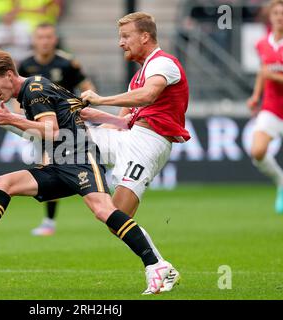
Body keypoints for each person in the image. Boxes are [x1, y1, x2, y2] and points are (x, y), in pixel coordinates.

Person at [0, 47, 174, 295]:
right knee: (3, 182)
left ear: (8, 74)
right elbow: (74, 109)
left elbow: (52, 131)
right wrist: (118, 122)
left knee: (104, 211)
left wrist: (10, 120)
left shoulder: (34, 90)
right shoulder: (33, 90)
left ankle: (156, 264)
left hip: (79, 157)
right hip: (58, 162)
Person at [79, 12, 190, 291]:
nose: (120, 43)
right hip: (130, 138)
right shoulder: (137, 77)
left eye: (126, 36)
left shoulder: (164, 63)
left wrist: (102, 98)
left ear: (145, 36)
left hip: (149, 144)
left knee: (117, 213)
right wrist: (98, 115)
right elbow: (123, 122)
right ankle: (10, 122)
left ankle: (160, 267)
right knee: (69, 142)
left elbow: (150, 95)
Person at [18, 22, 96, 236]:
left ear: (55, 39)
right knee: (48, 167)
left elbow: (88, 88)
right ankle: (51, 220)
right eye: (40, 37)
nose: (44, 42)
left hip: (67, 127)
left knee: (52, 167)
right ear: (34, 40)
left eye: (48, 37)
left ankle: (50, 221)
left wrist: (80, 108)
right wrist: (18, 118)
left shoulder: (67, 63)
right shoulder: (25, 65)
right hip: (42, 126)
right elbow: (19, 96)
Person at [247, 0, 283, 214]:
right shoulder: (262, 43)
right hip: (271, 108)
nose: (279, 17)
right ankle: (282, 182)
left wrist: (274, 77)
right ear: (270, 17)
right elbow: (263, 70)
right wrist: (256, 95)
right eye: (276, 13)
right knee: (257, 151)